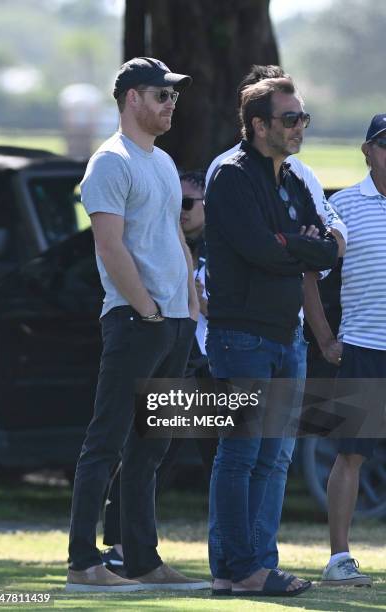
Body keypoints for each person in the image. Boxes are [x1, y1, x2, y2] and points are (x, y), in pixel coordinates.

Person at [67, 56, 210, 592]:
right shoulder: (110, 161)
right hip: (134, 320)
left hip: (173, 323)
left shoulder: (165, 163)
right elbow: (109, 245)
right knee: (105, 442)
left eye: (173, 95)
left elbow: (174, 239)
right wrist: (148, 308)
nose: (171, 103)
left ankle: (143, 562)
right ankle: (84, 564)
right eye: (161, 94)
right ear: (132, 98)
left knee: (153, 448)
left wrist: (189, 302)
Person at [206, 65, 347, 597]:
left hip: (286, 337)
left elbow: (328, 248)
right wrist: (293, 244)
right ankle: (241, 569)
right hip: (241, 338)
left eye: (303, 117)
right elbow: (261, 250)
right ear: (259, 125)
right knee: (242, 454)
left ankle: (252, 567)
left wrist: (292, 243)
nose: (300, 126)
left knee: (273, 457)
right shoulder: (232, 175)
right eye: (291, 118)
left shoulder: (289, 177)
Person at [101, 171, 217, 571]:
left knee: (224, 460)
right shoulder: (160, 243)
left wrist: (206, 300)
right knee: (148, 456)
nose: (181, 211)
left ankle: (237, 556)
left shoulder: (223, 249)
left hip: (211, 366)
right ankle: (119, 547)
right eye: (176, 203)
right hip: (173, 360)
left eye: (189, 204)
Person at [319, 114, 386, 587]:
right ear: (367, 151)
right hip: (364, 348)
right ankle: (339, 558)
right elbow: (310, 276)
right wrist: (323, 336)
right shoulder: (341, 206)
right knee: (351, 456)